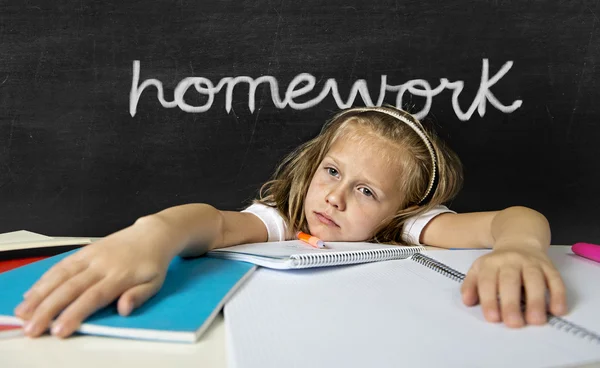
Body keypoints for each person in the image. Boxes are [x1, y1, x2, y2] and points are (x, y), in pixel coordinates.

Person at [15, 106, 567, 338]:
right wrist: (154, 233)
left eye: (366, 191)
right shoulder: (287, 220)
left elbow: (514, 219)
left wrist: (520, 247)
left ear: (399, 210)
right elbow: (213, 223)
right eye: (332, 171)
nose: (334, 197)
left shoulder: (404, 228)